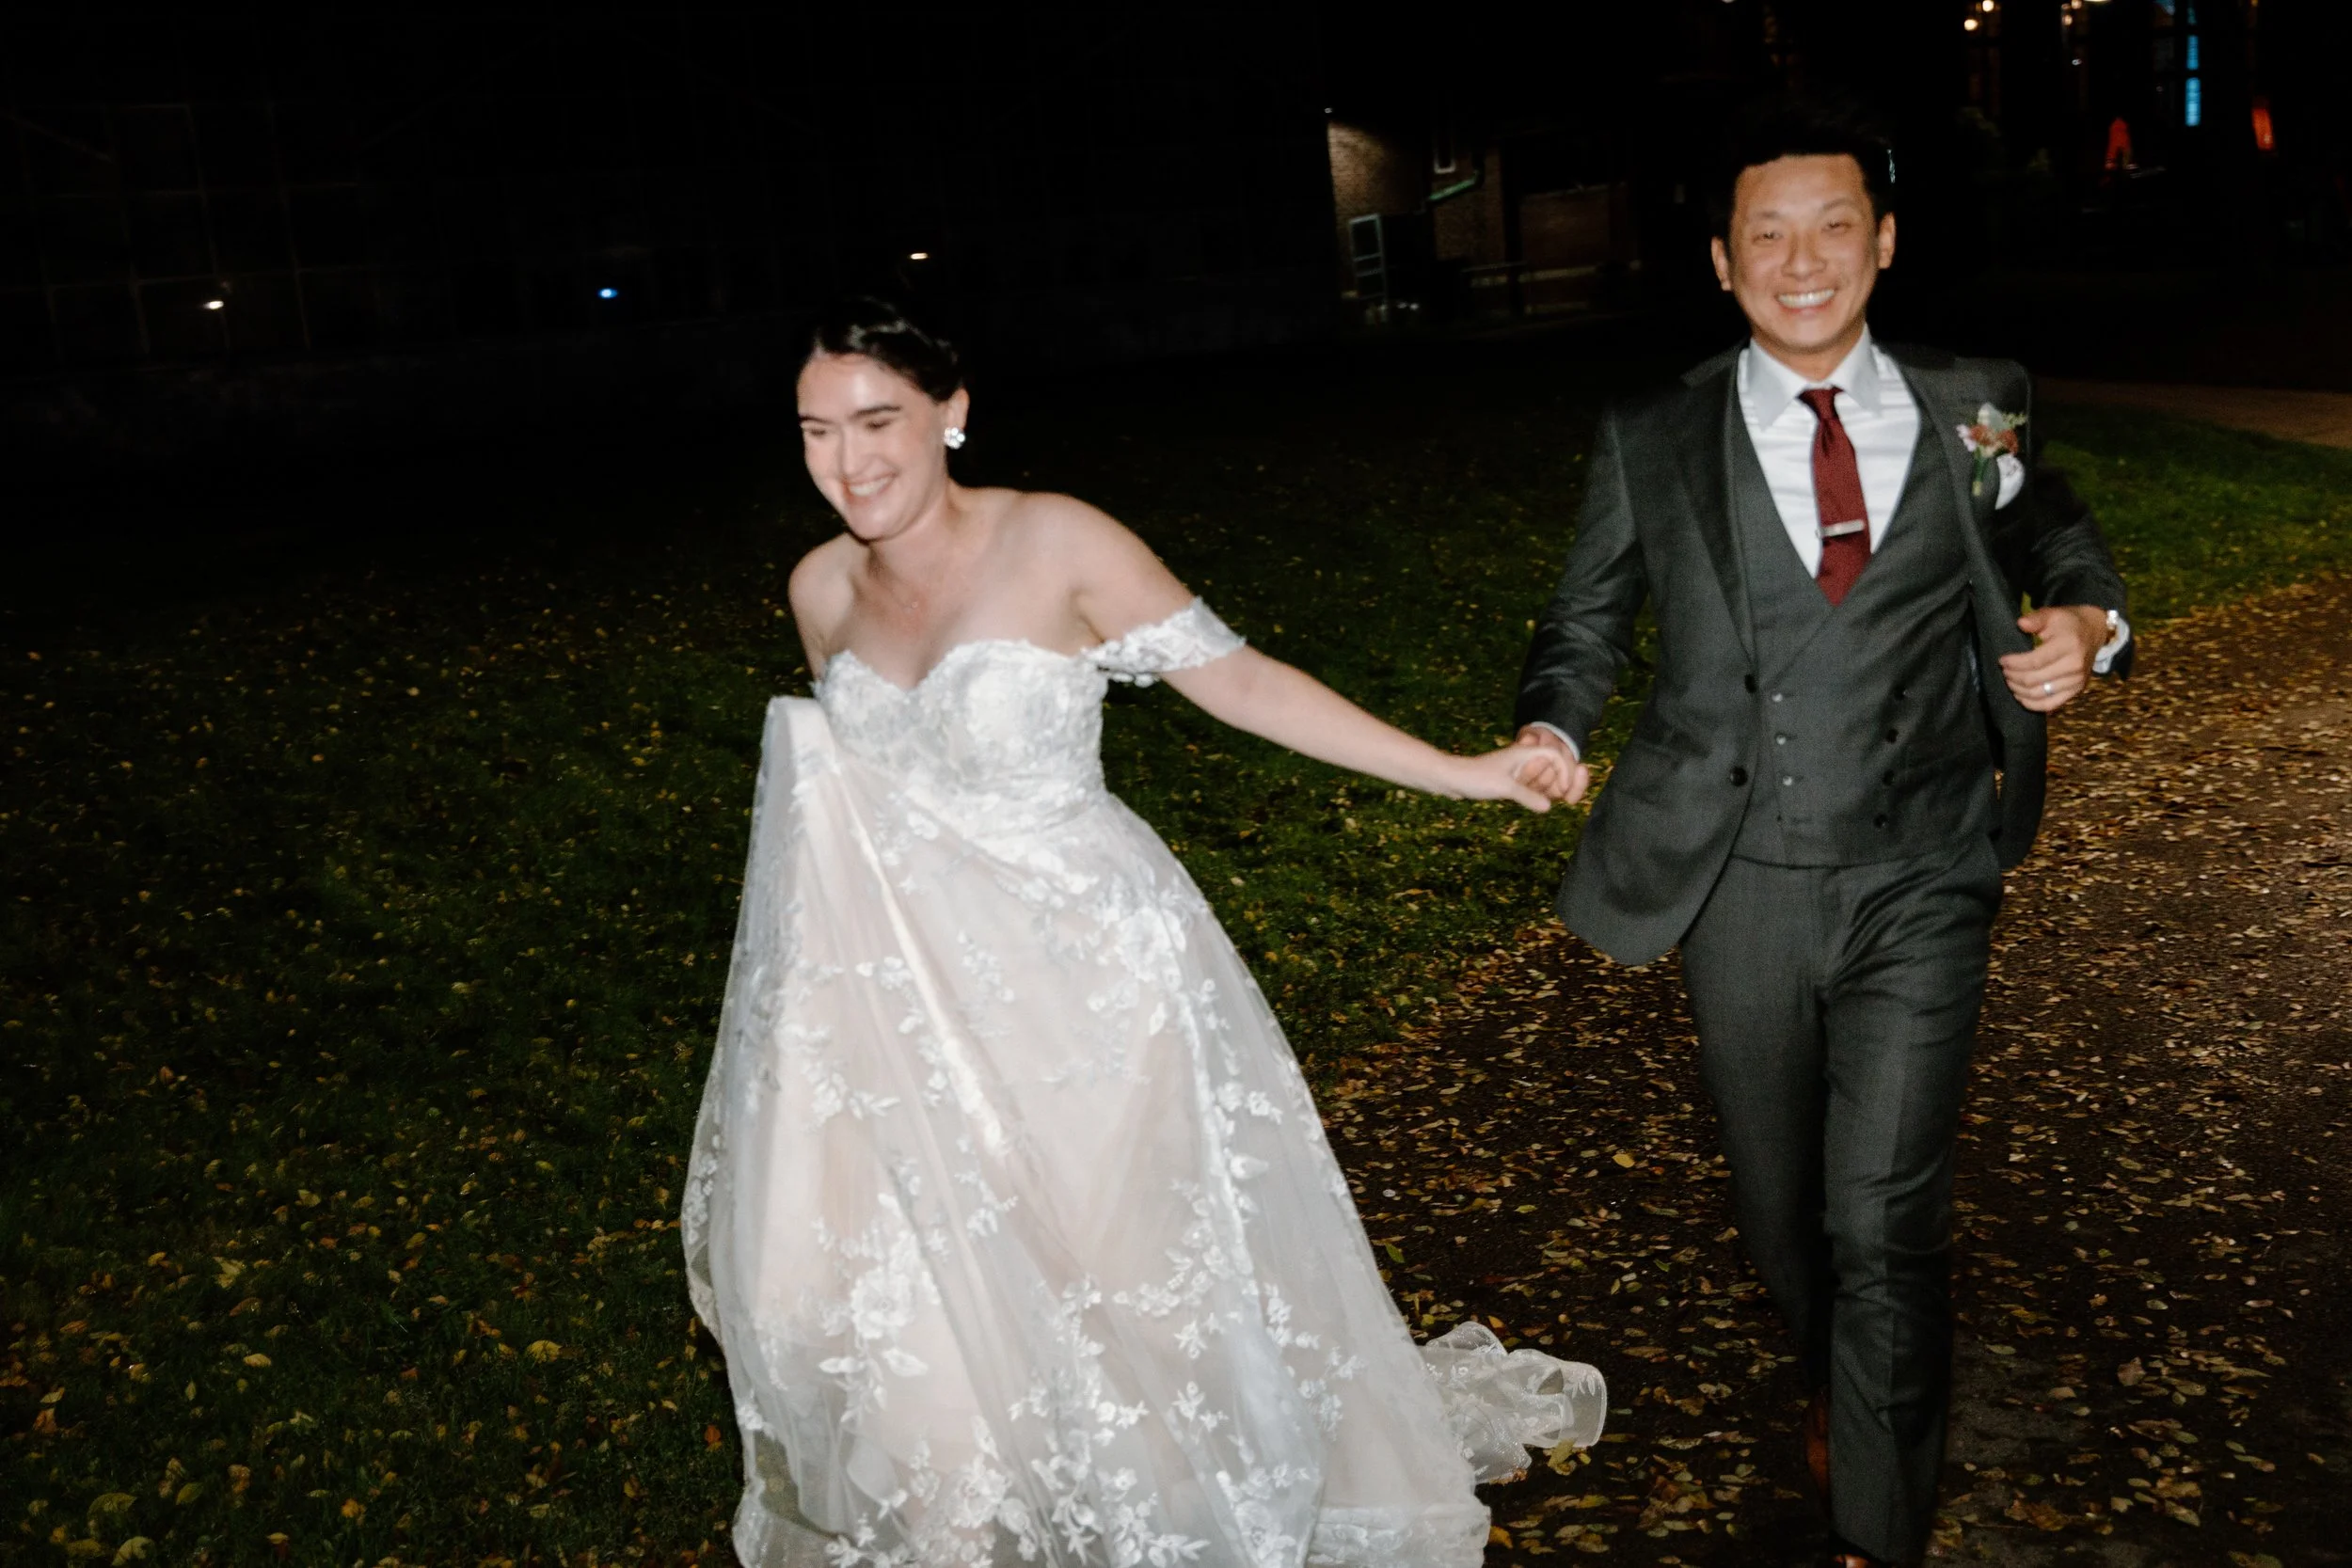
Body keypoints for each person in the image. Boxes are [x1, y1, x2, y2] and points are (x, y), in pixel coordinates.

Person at [683, 294, 1608, 1567]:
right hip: (913, 1019)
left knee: (1128, 1328)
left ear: (952, 413)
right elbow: (845, 828)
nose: (850, 460)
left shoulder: (1057, 541)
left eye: (880, 419)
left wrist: (1462, 770)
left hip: (1092, 1011)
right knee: (931, 1349)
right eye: (816, 431)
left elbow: (1241, 681)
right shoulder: (819, 588)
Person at [1511, 101, 2131, 1568]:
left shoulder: (1978, 396)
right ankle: (1834, 1366)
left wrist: (2086, 621)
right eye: (1770, 235)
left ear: (1886, 241)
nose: (1806, 261)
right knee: (1788, 1220)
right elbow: (1587, 615)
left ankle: (1875, 1526)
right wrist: (1554, 720)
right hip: (1741, 884)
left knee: (1885, 1215)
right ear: (1725, 261)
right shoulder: (1653, 435)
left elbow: (2053, 524)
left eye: (1835, 225)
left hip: (1926, 868)